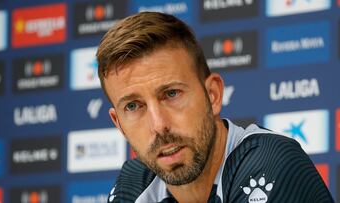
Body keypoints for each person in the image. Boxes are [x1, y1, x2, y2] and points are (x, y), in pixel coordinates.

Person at [96, 12, 334, 203]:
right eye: (134, 106)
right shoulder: (134, 183)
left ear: (213, 95)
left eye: (171, 94)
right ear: (119, 125)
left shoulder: (271, 163)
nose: (159, 125)